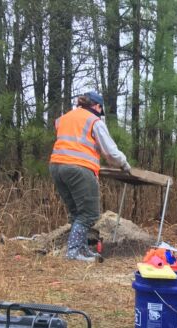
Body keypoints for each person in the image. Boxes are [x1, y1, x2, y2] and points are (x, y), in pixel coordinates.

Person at [49, 91, 131, 262]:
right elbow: (110, 152)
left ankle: (83, 249)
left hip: (56, 166)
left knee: (77, 213)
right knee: (89, 214)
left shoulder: (65, 118)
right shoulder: (94, 121)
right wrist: (123, 163)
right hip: (79, 168)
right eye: (100, 110)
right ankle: (72, 253)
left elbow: (71, 140)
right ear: (97, 106)